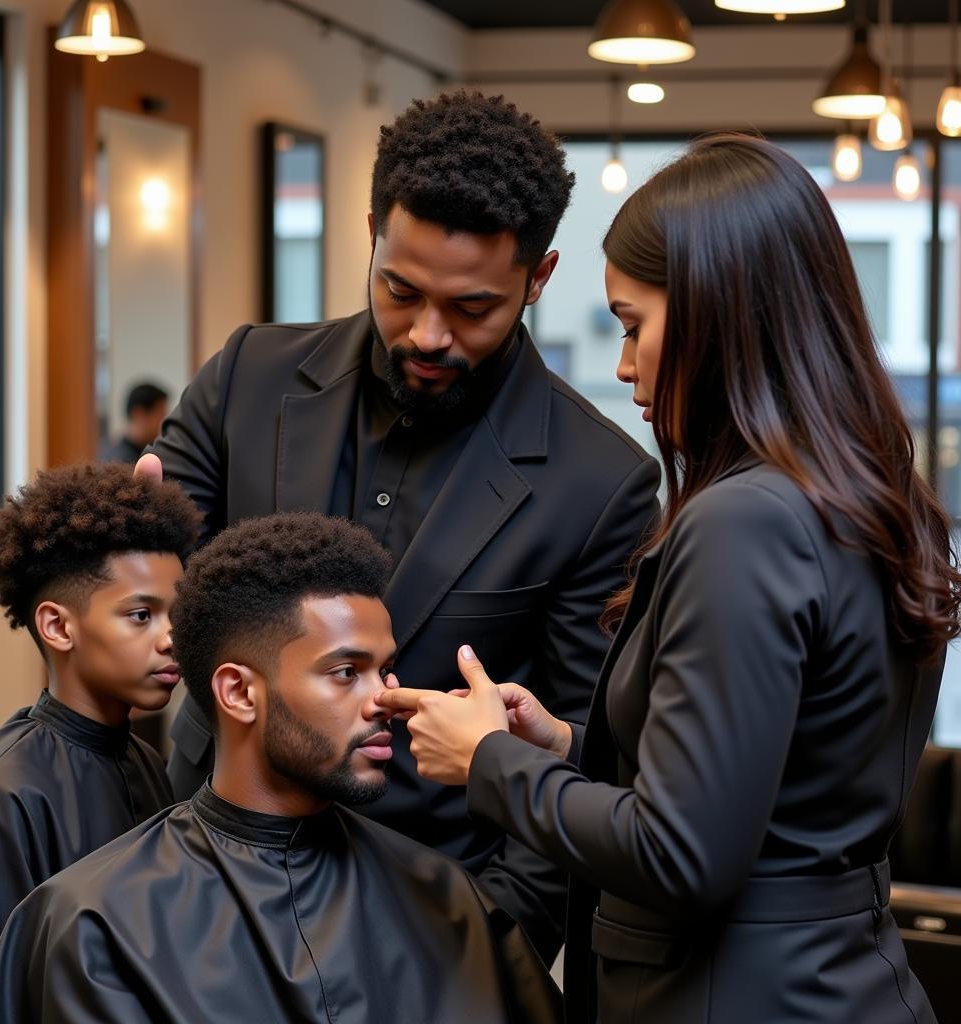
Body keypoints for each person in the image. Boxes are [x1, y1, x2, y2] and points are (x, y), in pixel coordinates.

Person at [377, 133, 960, 1023]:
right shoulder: (872, 498)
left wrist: (488, 762)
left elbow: (685, 855)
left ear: (720, 315)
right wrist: (567, 749)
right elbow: (777, 787)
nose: (622, 364)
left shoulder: (746, 522)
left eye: (632, 325)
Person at [145, 90, 660, 957]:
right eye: (400, 289)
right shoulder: (247, 376)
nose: (428, 334)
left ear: (537, 278)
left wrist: (488, 953)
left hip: (428, 919)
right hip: (203, 883)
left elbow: (575, 760)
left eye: (472, 308)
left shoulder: (602, 483)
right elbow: (156, 595)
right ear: (371, 229)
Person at [0, 513, 563, 1024]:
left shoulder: (447, 899)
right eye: (346, 672)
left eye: (385, 670)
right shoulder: (95, 926)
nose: (385, 699)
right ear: (239, 693)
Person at [0, 463, 200, 1022]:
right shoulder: (3, 794)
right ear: (58, 627)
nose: (171, 638)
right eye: (140, 615)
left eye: (177, 614)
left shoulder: (145, 761)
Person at [100, 381, 170, 464]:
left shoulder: (148, 454)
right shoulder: (118, 461)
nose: (164, 423)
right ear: (138, 414)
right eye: (161, 415)